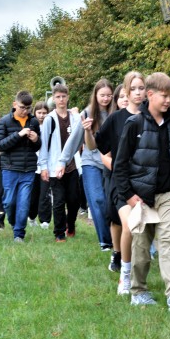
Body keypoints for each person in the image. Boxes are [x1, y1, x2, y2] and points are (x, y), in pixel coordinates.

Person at [114, 72, 170, 311]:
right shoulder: (134, 124)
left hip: (169, 195)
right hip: (141, 198)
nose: (169, 100)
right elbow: (120, 165)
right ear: (150, 95)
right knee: (140, 248)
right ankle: (138, 290)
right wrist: (129, 196)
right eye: (164, 95)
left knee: (169, 241)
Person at [95, 71, 146, 294]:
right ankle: (124, 275)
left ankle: (139, 274)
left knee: (143, 232)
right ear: (125, 91)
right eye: (132, 89)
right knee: (128, 225)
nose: (137, 93)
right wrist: (88, 131)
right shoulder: (116, 119)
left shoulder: (152, 117)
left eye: (141, 88)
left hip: (145, 183)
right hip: (121, 182)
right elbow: (98, 146)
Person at [71, 78, 116, 252]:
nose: (105, 99)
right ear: (95, 95)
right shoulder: (87, 113)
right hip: (91, 162)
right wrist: (62, 161)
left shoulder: (116, 112)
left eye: (108, 95)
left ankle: (114, 237)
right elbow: (75, 139)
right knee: (97, 200)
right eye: (102, 95)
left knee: (109, 202)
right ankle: (105, 241)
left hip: (110, 163)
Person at [0, 90, 41, 243]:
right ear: (14, 104)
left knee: (24, 203)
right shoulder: (4, 122)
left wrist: (36, 140)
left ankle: (19, 234)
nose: (25, 111)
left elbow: (37, 147)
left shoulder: (33, 122)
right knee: (9, 202)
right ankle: (14, 223)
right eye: (22, 107)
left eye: (28, 108)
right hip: (10, 168)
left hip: (28, 169)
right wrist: (18, 135)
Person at [38, 83, 82, 242]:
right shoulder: (50, 119)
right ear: (53, 99)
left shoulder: (75, 117)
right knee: (58, 201)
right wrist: (43, 167)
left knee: (74, 200)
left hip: (72, 165)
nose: (61, 100)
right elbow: (43, 144)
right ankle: (59, 233)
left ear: (68, 97)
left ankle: (71, 224)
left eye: (64, 96)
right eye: (58, 97)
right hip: (55, 166)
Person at [28, 102, 52, 230]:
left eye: (44, 113)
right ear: (34, 113)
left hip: (46, 166)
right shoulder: (31, 127)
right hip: (33, 165)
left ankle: (45, 220)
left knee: (45, 194)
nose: (42, 116)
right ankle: (31, 216)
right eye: (39, 113)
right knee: (33, 195)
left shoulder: (50, 127)